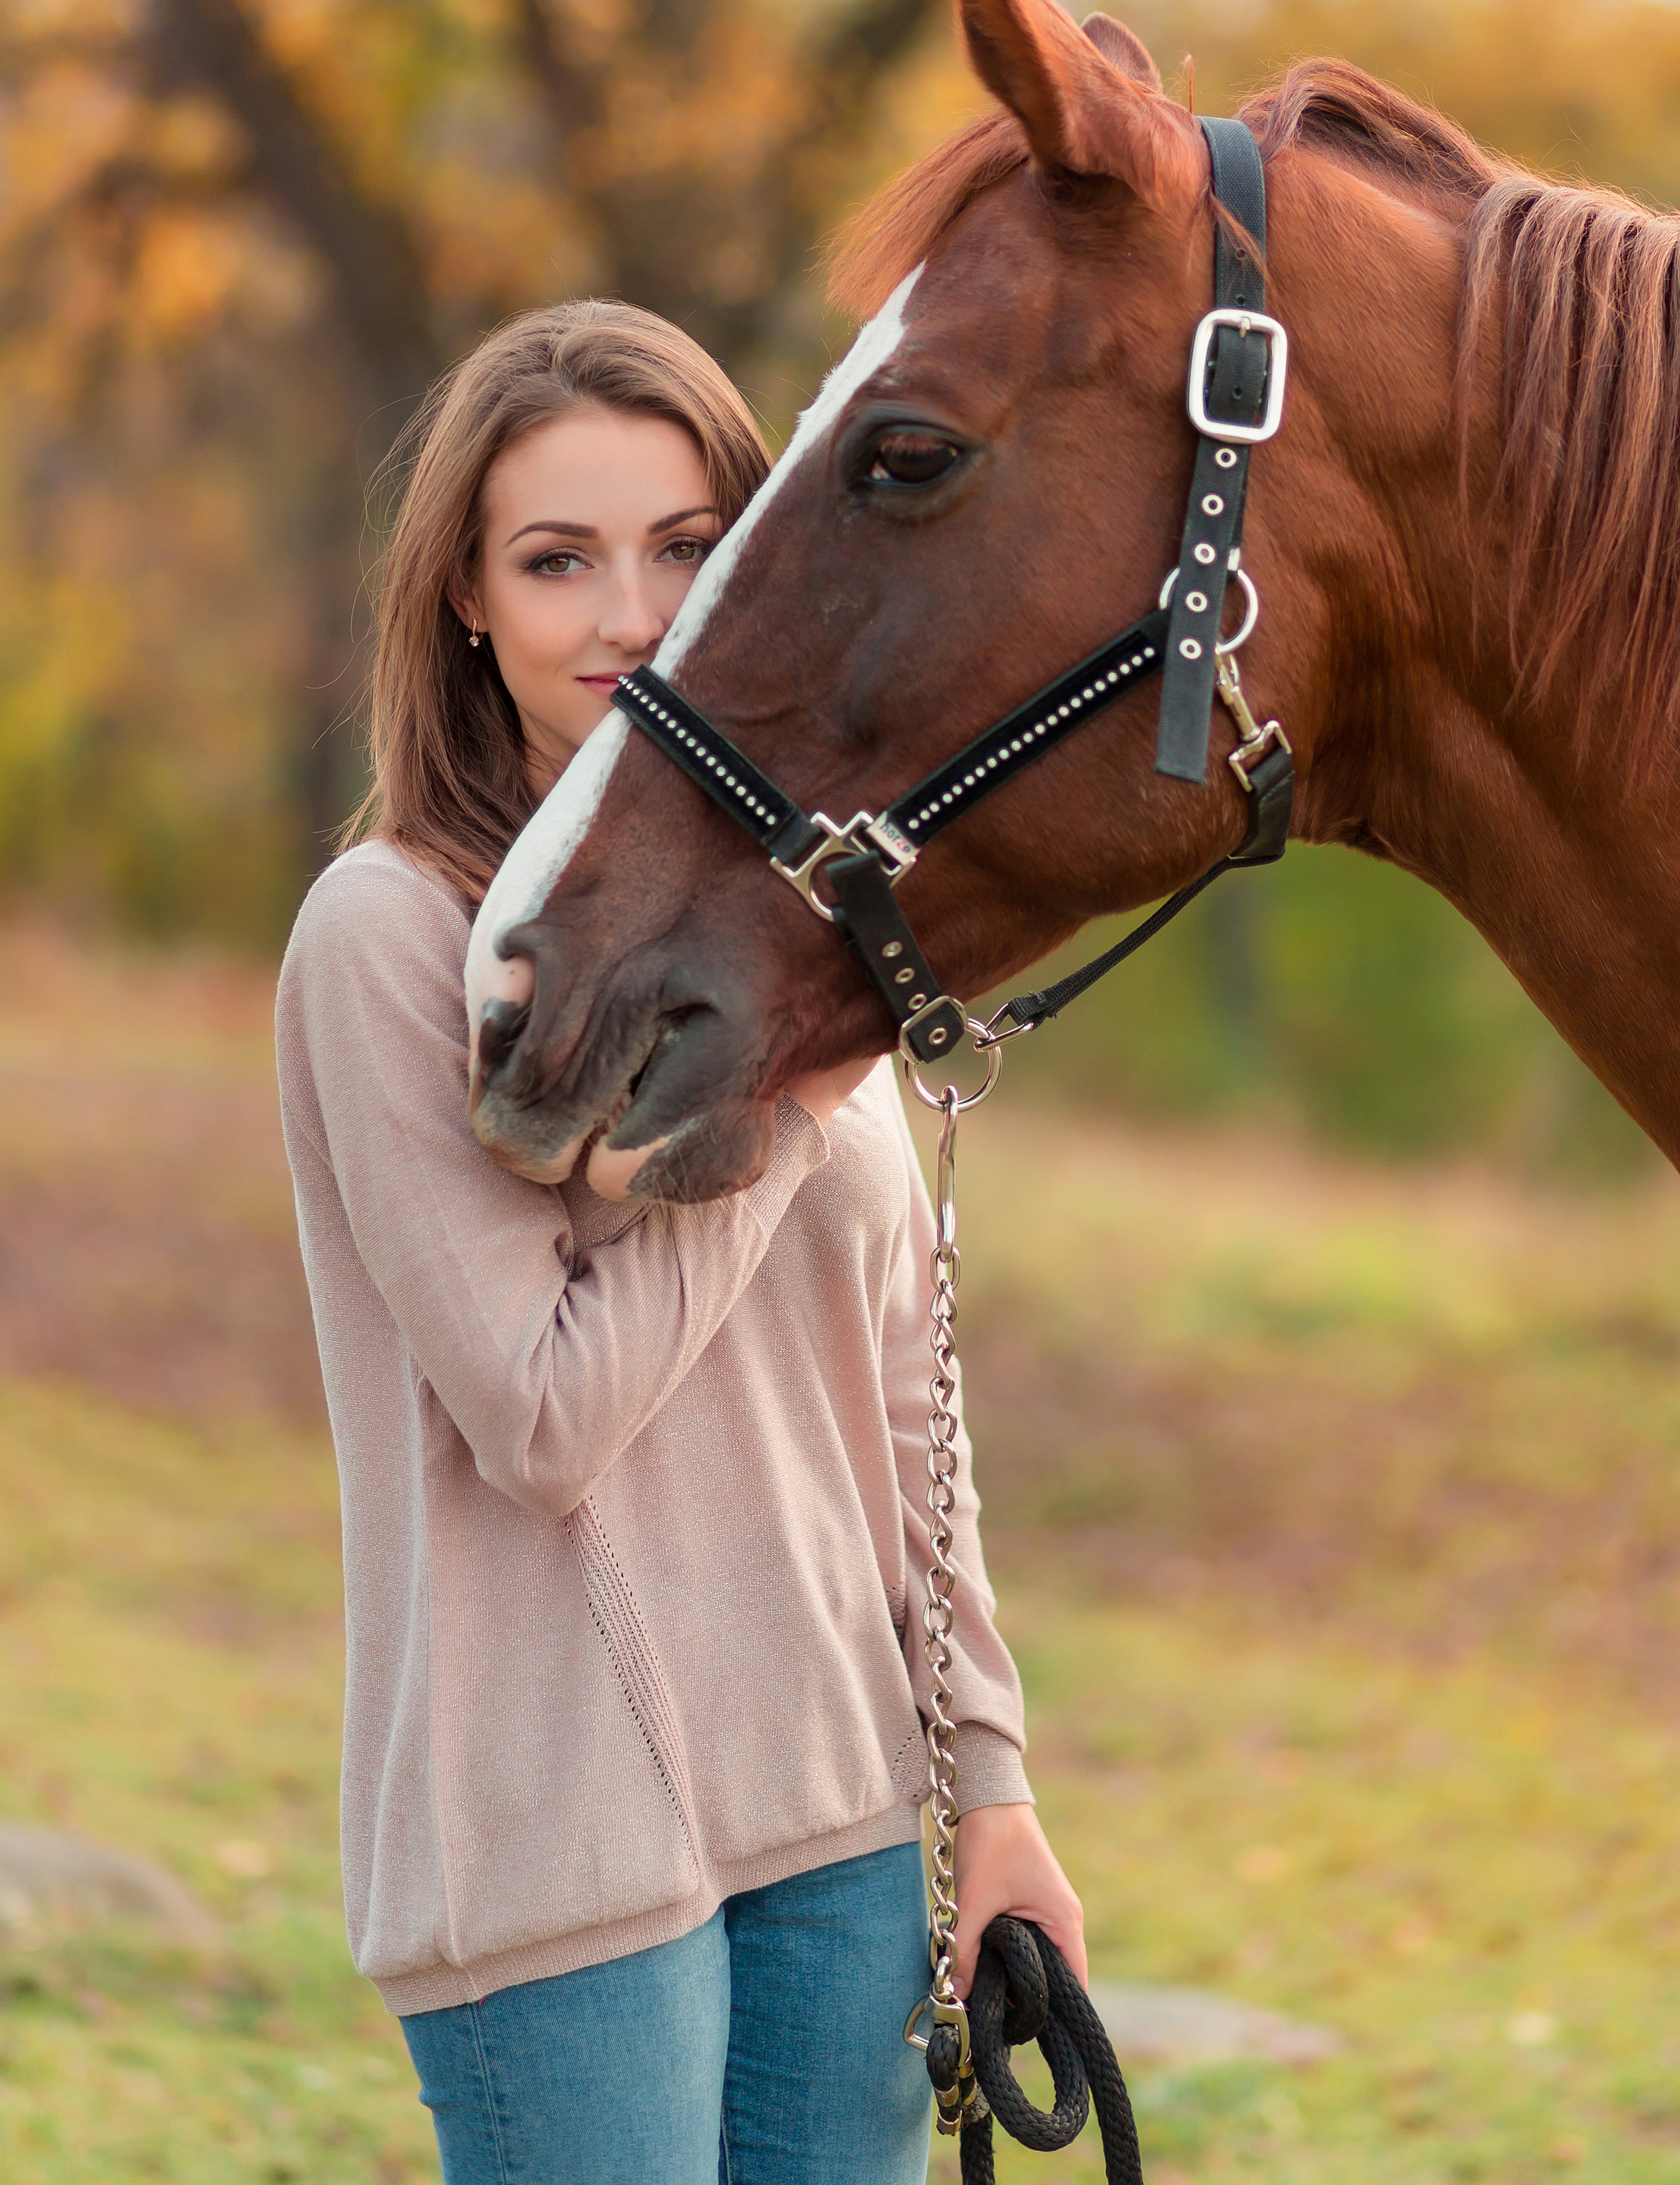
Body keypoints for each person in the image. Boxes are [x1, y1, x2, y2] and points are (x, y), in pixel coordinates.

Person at [276, 301, 1083, 2185]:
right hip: (552, 1854)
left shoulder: (802, 932)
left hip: (843, 1832)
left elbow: (908, 1417)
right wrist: (792, 1091)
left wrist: (990, 1787)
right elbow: (540, 1421)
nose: (629, 615)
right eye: (556, 560)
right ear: (468, 602)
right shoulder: (385, 937)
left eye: (685, 548)